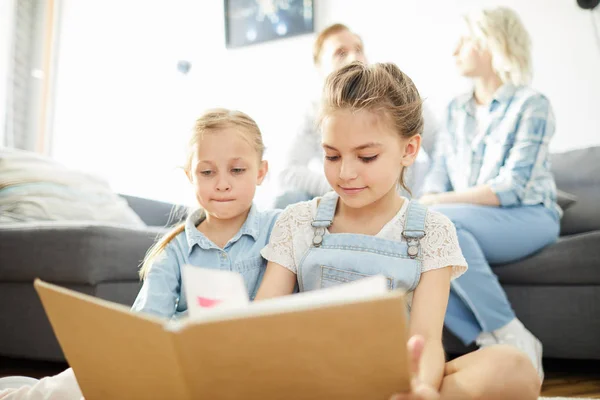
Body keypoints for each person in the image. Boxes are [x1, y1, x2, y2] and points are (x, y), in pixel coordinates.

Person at [256, 61, 541, 400]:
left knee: (514, 367)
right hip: (314, 382)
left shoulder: (433, 231)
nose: (345, 173)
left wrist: (420, 388)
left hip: (394, 385)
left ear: (409, 149)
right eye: (332, 156)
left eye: (366, 157)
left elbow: (426, 338)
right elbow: (261, 322)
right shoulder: (298, 221)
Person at [0, 108, 280, 398]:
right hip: (179, 365)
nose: (222, 183)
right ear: (190, 176)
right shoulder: (174, 251)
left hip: (242, 370)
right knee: (92, 376)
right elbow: (145, 326)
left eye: (237, 170)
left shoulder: (280, 227)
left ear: (260, 172)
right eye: (207, 172)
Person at [419, 7, 560, 381]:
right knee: (416, 237)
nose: (455, 51)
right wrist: (426, 201)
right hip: (471, 217)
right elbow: (439, 173)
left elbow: (511, 188)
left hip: (530, 215)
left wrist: (434, 204)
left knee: (441, 223)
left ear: (492, 43)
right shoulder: (453, 110)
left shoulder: (532, 104)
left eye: (464, 41)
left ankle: (514, 335)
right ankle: (494, 337)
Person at [275, 23, 437, 208]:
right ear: (320, 67)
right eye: (340, 53)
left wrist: (431, 194)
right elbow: (287, 172)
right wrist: (344, 187)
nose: (354, 57)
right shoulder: (313, 112)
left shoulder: (401, 98)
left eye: (359, 49)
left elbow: (442, 151)